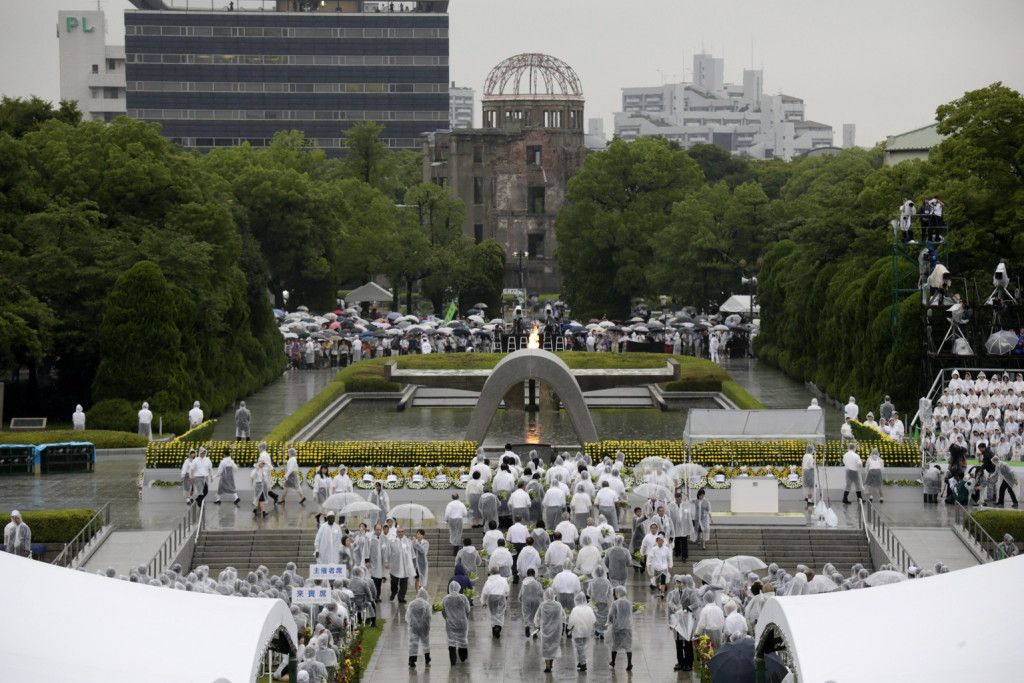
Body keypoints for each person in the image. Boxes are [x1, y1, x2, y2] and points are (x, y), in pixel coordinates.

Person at [441, 580, 471, 665]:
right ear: (459, 588)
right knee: (463, 640)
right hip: (462, 623)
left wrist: (446, 619)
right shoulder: (463, 597)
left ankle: (453, 660)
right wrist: (465, 618)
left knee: (451, 641)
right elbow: (468, 610)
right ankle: (463, 657)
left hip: (450, 623)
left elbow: (443, 611)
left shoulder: (445, 598)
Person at [537, 588, 564, 673]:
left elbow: (537, 616)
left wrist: (537, 625)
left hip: (545, 629)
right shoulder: (558, 605)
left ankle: (547, 665)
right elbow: (563, 616)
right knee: (553, 646)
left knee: (546, 647)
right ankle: (551, 663)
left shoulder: (543, 605)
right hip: (556, 629)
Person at [568, 591, 596, 672]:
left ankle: (583, 664)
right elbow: (593, 620)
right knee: (583, 647)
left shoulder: (575, 609)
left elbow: (571, 621)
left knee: (579, 648)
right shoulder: (589, 609)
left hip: (577, 631)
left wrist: (569, 628)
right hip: (587, 631)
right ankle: (581, 662)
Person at [608, 585, 634, 670]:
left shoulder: (615, 603)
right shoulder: (629, 603)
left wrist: (610, 622)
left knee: (615, 645)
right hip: (627, 627)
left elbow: (611, 615)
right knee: (628, 646)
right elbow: (630, 614)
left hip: (617, 627)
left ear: (618, 593)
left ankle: (613, 662)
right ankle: (629, 663)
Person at [387, 527, 416, 603]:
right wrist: (387, 562)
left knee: (404, 582)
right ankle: (394, 592)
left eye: (402, 531)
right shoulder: (392, 541)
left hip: (405, 565)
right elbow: (388, 553)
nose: (401, 533)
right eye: (399, 532)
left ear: (404, 532)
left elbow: (412, 553)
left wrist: (412, 563)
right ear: (396, 533)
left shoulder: (407, 541)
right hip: (395, 565)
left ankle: (401, 597)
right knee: (394, 582)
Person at [406, 587, 432, 669]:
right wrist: (428, 626)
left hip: (414, 626)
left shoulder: (412, 603)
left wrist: (410, 623)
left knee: (413, 643)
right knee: (425, 642)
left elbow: (407, 616)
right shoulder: (426, 604)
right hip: (424, 626)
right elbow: (429, 617)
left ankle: (412, 660)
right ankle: (427, 658)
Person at [481, 566, 509, 638]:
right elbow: (507, 591)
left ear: (491, 572)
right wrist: (505, 595)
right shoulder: (503, 580)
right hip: (501, 597)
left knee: (493, 614)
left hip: (491, 598)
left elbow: (485, 592)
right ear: (498, 571)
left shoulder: (488, 580)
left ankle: (494, 629)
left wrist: (483, 602)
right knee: (500, 613)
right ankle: (498, 627)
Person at [519, 569, 544, 637]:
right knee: (535, 615)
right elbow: (541, 593)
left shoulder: (524, 583)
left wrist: (520, 599)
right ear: (534, 574)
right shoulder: (537, 583)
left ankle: (527, 626)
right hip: (536, 600)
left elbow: (521, 593)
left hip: (526, 600)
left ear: (527, 574)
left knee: (526, 614)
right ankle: (535, 632)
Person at [366, 524, 387, 599]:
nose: (378, 531)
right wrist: (367, 560)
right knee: (374, 580)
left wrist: (386, 561)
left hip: (380, 563)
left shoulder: (383, 538)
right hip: (373, 562)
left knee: (379, 581)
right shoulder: (370, 539)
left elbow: (385, 549)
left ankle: (378, 595)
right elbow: (366, 549)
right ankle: (374, 596)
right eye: (377, 530)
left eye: (380, 530)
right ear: (374, 530)